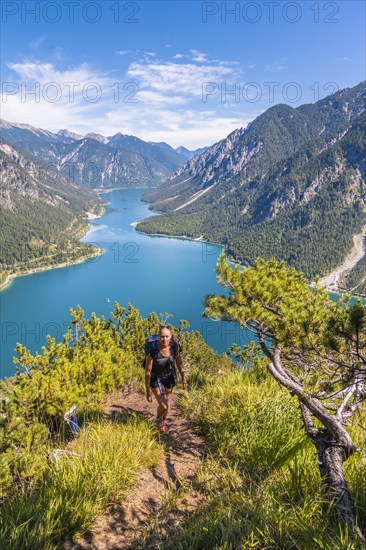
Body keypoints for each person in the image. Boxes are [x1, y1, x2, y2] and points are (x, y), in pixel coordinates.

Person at [145, 325, 187, 432]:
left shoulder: (174, 347)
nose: (165, 339)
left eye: (167, 336)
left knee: (166, 402)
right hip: (155, 377)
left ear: (171, 336)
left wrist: (184, 379)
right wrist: (148, 391)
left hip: (169, 375)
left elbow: (179, 363)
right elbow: (148, 372)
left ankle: (162, 420)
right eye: (162, 337)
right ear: (158, 337)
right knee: (164, 405)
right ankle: (159, 422)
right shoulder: (153, 349)